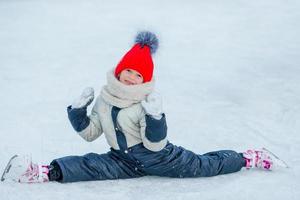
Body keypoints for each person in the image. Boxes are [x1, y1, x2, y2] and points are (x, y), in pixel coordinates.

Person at [7, 31, 276, 183]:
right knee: (90, 166)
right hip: (121, 160)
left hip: (160, 158)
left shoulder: (145, 103)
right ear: (121, 69)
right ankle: (43, 172)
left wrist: (156, 117)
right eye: (129, 71)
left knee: (203, 166)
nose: (132, 77)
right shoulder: (104, 99)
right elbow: (90, 134)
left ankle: (247, 157)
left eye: (139, 75)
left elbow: (156, 145)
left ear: (145, 79)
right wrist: (78, 111)